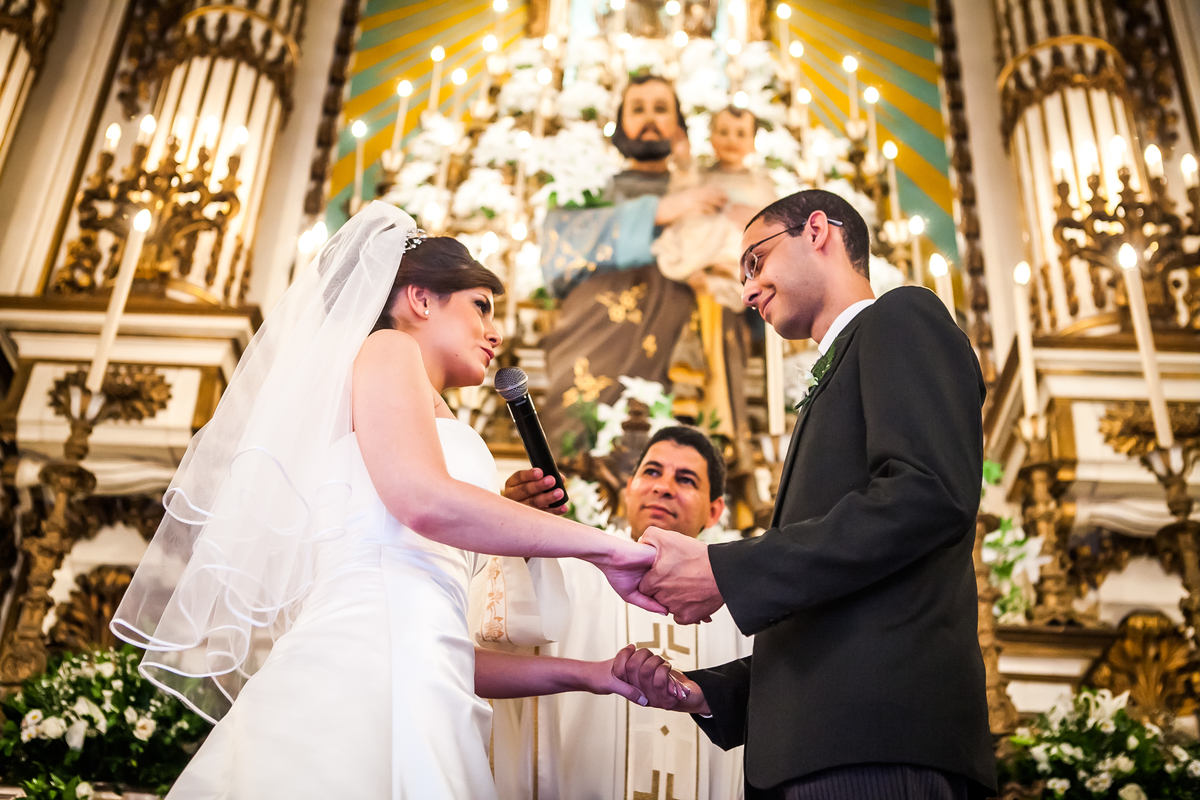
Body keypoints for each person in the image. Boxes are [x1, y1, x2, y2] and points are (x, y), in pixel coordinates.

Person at [110, 202, 665, 800]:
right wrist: (606, 549)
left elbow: (440, 637)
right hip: (360, 670)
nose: (496, 332)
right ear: (420, 299)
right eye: (480, 305)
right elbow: (423, 502)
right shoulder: (388, 349)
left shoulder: (416, 402)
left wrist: (592, 675)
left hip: (410, 668)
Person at [614, 189, 997, 799]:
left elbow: (926, 495)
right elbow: (839, 605)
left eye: (756, 261)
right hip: (825, 750)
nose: (746, 291)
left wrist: (723, 570)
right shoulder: (842, 368)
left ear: (818, 231)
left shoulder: (902, 316)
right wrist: (710, 693)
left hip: (875, 748)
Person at [482, 426, 753, 800]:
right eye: (652, 472)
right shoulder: (572, 570)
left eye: (686, 479)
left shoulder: (735, 601)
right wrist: (521, 530)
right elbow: (506, 627)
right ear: (629, 488)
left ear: (715, 510)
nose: (663, 487)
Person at [538, 75, 756, 456]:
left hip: (693, 308)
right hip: (604, 318)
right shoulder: (596, 190)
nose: (650, 119)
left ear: (679, 127)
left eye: (661, 109)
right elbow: (560, 248)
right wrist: (660, 211)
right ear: (621, 124)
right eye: (638, 109)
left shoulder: (705, 185)